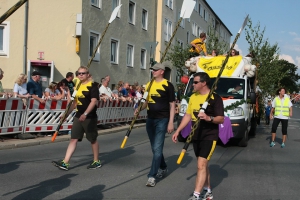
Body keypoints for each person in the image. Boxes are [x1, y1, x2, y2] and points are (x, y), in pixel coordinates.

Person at [172, 72, 224, 200]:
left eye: (195, 82)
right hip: (196, 135)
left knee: (201, 165)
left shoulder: (215, 98)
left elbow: (221, 119)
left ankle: (196, 195)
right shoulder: (193, 97)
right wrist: (178, 130)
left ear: (203, 83)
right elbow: (188, 116)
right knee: (203, 165)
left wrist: (208, 117)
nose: (193, 85)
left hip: (209, 135)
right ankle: (208, 191)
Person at [52, 66, 101, 170]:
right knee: (73, 138)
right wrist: (66, 114)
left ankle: (96, 161)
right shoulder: (77, 87)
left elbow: (93, 101)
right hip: (78, 115)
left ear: (88, 74)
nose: (81, 75)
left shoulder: (93, 86)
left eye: (83, 73)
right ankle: (65, 162)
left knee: (92, 139)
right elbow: (74, 103)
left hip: (90, 117)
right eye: (79, 73)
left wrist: (86, 114)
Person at [134, 63, 175, 187]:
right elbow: (146, 101)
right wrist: (139, 109)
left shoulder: (168, 85)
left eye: (156, 70)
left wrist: (171, 122)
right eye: (152, 69)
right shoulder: (149, 84)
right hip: (150, 119)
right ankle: (163, 166)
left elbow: (172, 104)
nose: (153, 71)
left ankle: (152, 176)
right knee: (155, 148)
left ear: (162, 71)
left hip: (162, 119)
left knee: (157, 148)